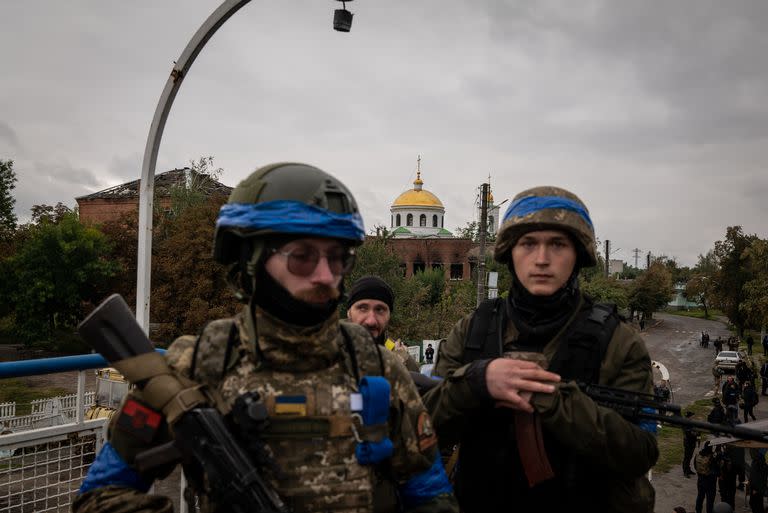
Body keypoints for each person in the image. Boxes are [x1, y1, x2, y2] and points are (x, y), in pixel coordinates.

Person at [73, 163, 458, 513]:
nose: (326, 275)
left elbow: (429, 491)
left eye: (337, 256)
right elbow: (101, 495)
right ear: (250, 258)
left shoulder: (376, 365)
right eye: (302, 256)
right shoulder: (196, 366)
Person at [422, 186, 658, 512]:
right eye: (528, 243)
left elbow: (640, 453)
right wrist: (476, 381)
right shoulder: (473, 330)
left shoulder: (617, 341)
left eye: (558, 244)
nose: (542, 259)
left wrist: (551, 396)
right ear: (510, 252)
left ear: (578, 254)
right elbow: (425, 431)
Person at [346, 275, 420, 372]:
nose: (371, 321)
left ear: (389, 315)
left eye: (380, 309)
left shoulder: (405, 365)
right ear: (349, 313)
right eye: (362, 308)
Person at [694, 441, 719, 513]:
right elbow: (716, 470)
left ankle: (698, 511)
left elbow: (695, 466)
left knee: (700, 497)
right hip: (710, 481)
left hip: (700, 479)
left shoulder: (698, 455)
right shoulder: (712, 457)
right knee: (710, 501)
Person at [748, 448, 767, 513]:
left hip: (756, 489)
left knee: (757, 506)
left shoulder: (758, 461)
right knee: (756, 505)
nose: (750, 454)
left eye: (751, 451)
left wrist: (756, 489)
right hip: (756, 488)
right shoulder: (756, 460)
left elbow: (758, 477)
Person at [683, 411, 699, 477]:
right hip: (688, 442)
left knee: (689, 457)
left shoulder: (691, 423)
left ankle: (688, 469)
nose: (693, 417)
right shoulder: (686, 424)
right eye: (692, 416)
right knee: (687, 457)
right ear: (689, 416)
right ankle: (685, 471)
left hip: (692, 442)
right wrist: (695, 434)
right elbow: (688, 433)